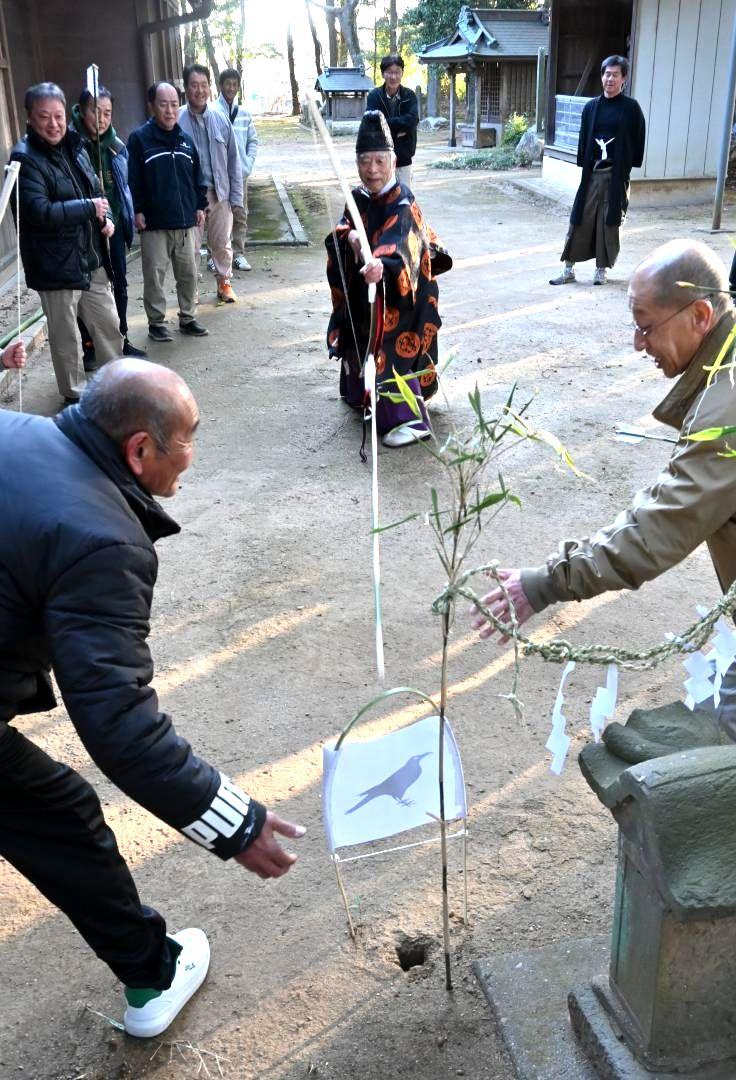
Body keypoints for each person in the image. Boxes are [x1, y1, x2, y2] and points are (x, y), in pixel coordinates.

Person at [0, 358, 305, 1037]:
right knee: (60, 815)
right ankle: (153, 977)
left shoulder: (15, 430)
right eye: (188, 438)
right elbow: (119, 724)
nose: (192, 457)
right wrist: (235, 823)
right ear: (139, 449)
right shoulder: (100, 538)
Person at [475, 239, 736, 730]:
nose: (639, 344)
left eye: (646, 326)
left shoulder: (728, 406)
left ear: (700, 316)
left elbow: (657, 529)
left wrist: (548, 581)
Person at [325, 111, 451, 448]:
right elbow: (341, 229)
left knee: (391, 337)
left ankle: (411, 419)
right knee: (358, 323)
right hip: (368, 286)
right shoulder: (359, 197)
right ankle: (363, 395)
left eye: (379, 160)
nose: (372, 169)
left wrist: (384, 265)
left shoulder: (403, 201)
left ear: (393, 161)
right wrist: (349, 238)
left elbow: (403, 246)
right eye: (364, 161)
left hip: (404, 294)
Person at [10, 83, 123, 404]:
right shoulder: (24, 158)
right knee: (67, 339)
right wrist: (89, 208)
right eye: (44, 117)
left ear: (66, 113)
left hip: (89, 256)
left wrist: (107, 216)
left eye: (58, 115)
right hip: (54, 264)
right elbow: (37, 211)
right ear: (29, 119)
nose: (53, 124)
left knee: (108, 324)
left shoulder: (74, 143)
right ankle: (75, 397)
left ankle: (116, 385)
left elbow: (95, 186)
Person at [549, 56, 645, 287]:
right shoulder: (591, 107)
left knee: (609, 222)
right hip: (593, 173)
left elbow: (639, 139)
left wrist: (626, 166)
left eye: (615, 74)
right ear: (601, 77)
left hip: (616, 174)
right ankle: (569, 268)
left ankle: (601, 271)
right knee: (580, 218)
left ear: (624, 78)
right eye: (606, 74)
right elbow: (584, 140)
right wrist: (585, 164)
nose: (610, 79)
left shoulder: (631, 109)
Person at [70, 85, 147, 363]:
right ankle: (90, 344)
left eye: (107, 113)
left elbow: (124, 189)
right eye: (95, 111)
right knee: (87, 287)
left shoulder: (117, 146)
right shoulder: (71, 144)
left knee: (120, 283)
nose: (101, 118)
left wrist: (123, 219)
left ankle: (122, 337)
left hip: (112, 226)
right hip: (82, 231)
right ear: (82, 110)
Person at [127, 81, 209, 342]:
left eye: (174, 104)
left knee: (188, 274)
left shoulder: (185, 139)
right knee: (154, 276)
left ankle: (188, 317)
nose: (170, 110)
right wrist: (137, 210)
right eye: (163, 104)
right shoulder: (140, 139)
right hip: (154, 224)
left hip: (185, 221)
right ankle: (156, 323)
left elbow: (198, 176)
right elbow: (133, 179)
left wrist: (200, 205)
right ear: (152, 106)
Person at [178, 64, 243, 303]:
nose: (199, 90)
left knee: (221, 243)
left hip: (219, 193)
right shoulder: (177, 119)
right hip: (189, 197)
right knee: (189, 248)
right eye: (194, 85)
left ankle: (224, 284)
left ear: (209, 87)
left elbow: (233, 161)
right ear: (186, 89)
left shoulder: (220, 118)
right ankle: (191, 290)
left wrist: (236, 198)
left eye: (203, 85)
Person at [215, 67, 258, 272]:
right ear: (220, 85)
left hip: (240, 174)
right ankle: (217, 255)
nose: (231, 88)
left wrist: (248, 164)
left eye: (235, 84)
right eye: (228, 84)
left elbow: (253, 141)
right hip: (219, 175)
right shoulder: (212, 111)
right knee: (218, 215)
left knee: (240, 213)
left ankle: (239, 254)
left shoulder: (245, 114)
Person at [366, 55, 419, 189]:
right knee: (382, 200)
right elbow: (373, 123)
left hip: (404, 157)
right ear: (383, 74)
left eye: (397, 72)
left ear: (402, 73)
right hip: (380, 159)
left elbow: (412, 120)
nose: (393, 77)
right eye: (389, 72)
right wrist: (398, 132)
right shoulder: (374, 96)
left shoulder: (409, 96)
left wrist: (386, 124)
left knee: (404, 201)